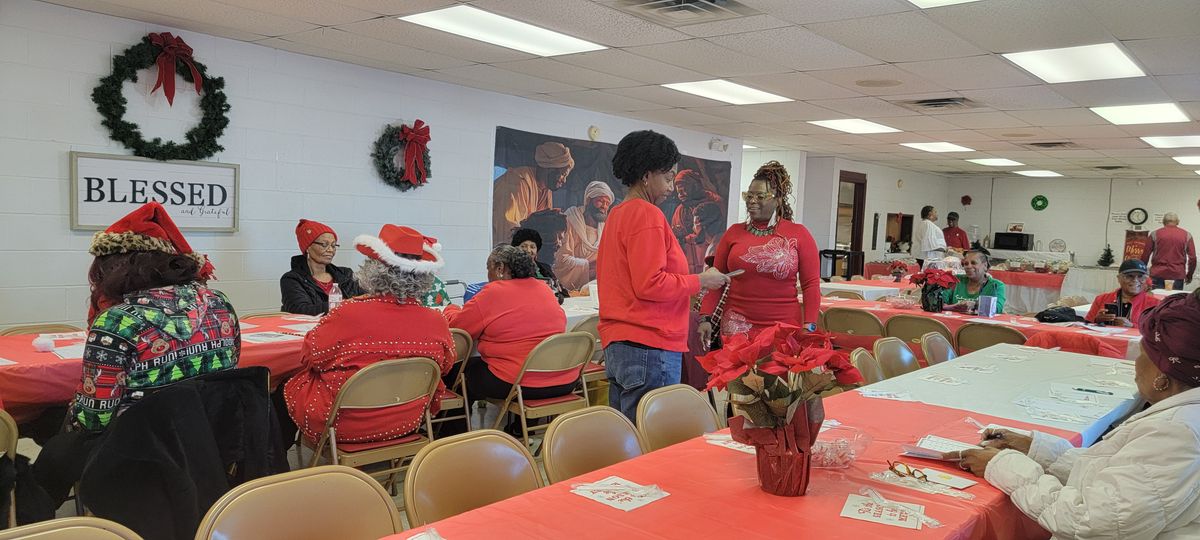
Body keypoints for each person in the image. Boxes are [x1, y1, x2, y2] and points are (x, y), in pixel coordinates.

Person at [34, 201, 239, 503]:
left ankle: (34, 517)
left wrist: (73, 407)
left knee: (49, 439)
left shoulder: (118, 321)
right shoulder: (219, 302)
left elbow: (95, 419)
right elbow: (230, 369)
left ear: (114, 269)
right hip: (208, 441)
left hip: (139, 454)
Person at [952, 291, 1200, 538]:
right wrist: (1033, 448)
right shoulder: (1179, 423)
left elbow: (1091, 521)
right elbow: (1116, 476)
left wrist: (1001, 466)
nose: (1135, 363)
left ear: (1162, 374)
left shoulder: (1175, 433)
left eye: (1143, 353)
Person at [596, 130, 728, 420]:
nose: (671, 187)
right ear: (646, 175)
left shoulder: (618, 213)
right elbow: (651, 284)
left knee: (629, 434)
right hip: (649, 345)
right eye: (667, 178)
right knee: (651, 438)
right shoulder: (647, 214)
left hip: (622, 345)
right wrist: (701, 281)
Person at [284, 224, 455, 444]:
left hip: (343, 424)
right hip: (408, 420)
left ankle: (274, 459)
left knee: (289, 383)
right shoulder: (437, 321)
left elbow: (310, 357)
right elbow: (446, 366)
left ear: (373, 269)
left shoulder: (347, 313)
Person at [699, 161, 821, 346]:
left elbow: (811, 285)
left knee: (777, 365)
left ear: (778, 199)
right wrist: (705, 317)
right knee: (735, 366)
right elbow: (717, 280)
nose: (752, 201)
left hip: (783, 327)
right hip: (737, 326)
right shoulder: (733, 233)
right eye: (749, 195)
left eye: (760, 196)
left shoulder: (799, 234)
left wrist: (810, 325)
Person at [444, 245, 571, 404]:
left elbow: (459, 328)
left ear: (500, 268)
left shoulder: (493, 292)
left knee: (455, 370)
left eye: (488, 269)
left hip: (518, 383)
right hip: (562, 378)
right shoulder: (544, 289)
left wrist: (450, 309)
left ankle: (457, 420)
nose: (488, 275)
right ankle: (519, 421)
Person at [492, 142, 574, 244]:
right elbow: (507, 233)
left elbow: (543, 228)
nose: (564, 180)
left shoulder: (546, 189)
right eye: (563, 174)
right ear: (548, 168)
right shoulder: (516, 183)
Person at [280, 219, 363, 315]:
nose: (331, 250)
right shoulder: (292, 279)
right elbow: (300, 310)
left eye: (333, 245)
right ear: (308, 247)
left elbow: (364, 299)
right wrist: (344, 304)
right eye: (324, 245)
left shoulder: (346, 274)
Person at [554, 180, 614, 291]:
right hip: (569, 286)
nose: (604, 207)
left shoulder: (605, 227)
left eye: (607, 204)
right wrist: (589, 266)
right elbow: (561, 260)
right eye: (600, 201)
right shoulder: (570, 219)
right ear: (588, 200)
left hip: (595, 285)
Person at [1085, 259, 1160, 327]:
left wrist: (1132, 326)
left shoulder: (1155, 304)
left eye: (1140, 277)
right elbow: (1086, 326)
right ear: (1119, 278)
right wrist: (1096, 320)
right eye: (1129, 276)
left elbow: (1158, 332)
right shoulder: (1101, 299)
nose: (1135, 280)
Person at [511, 227, 568, 301]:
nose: (528, 250)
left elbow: (561, 292)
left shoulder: (545, 267)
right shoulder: (511, 269)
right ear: (516, 249)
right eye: (523, 246)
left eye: (532, 247)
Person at [1142, 212, 1196, 290]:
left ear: (1163, 221)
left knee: (1157, 297)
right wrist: (1189, 275)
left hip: (1157, 274)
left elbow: (1145, 255)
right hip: (1177, 274)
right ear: (1178, 222)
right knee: (1174, 298)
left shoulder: (1154, 234)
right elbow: (1193, 258)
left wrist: (1141, 273)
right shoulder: (1187, 235)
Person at [942, 249, 1007, 313]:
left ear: (985, 266)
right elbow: (940, 302)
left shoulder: (996, 285)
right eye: (966, 264)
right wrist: (954, 307)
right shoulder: (955, 280)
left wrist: (974, 305)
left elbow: (997, 309)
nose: (968, 266)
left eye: (973, 263)